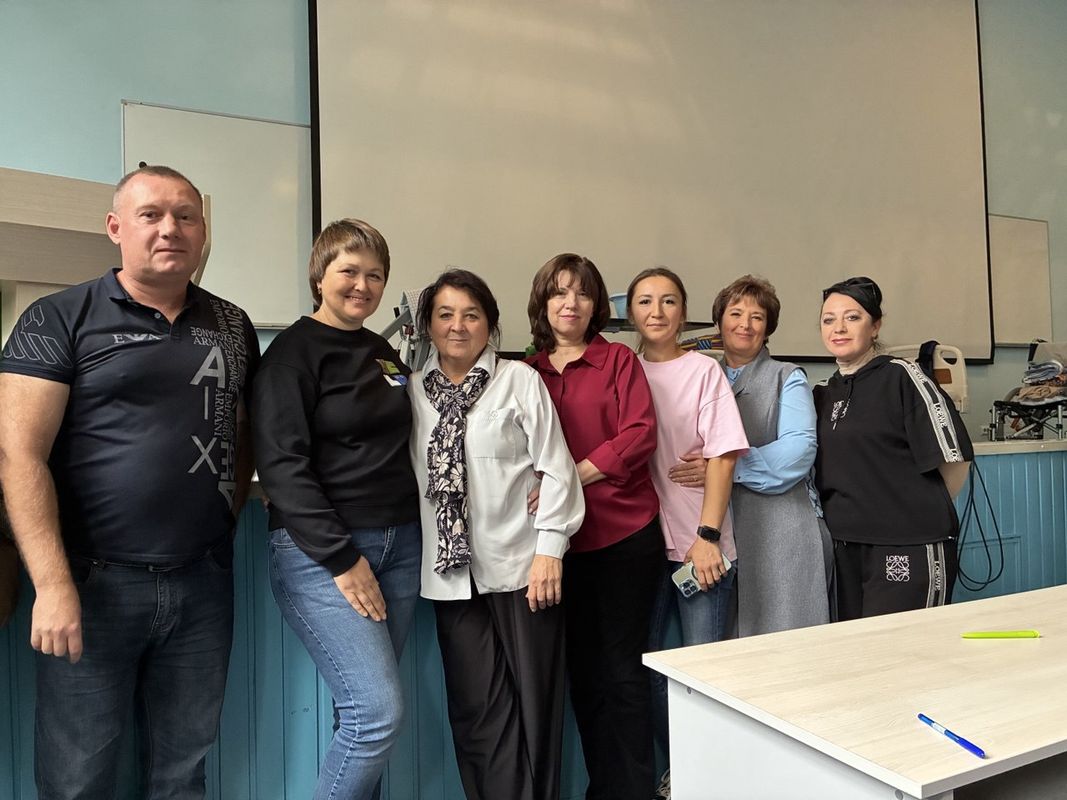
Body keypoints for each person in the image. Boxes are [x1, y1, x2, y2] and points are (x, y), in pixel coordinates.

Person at [0, 165, 258, 799]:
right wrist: (52, 586)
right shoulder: (58, 317)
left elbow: (242, 432)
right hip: (92, 586)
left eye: (186, 216)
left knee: (183, 774)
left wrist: (222, 526)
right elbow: (19, 456)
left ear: (202, 232)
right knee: (77, 780)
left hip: (202, 584)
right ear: (116, 228)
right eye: (152, 215)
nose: (171, 228)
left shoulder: (232, 324)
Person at [251, 219, 422, 799]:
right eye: (349, 271)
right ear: (319, 276)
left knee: (359, 717)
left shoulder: (381, 351)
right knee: (376, 716)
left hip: (400, 546)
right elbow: (283, 468)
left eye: (375, 275)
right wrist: (342, 559)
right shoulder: (291, 357)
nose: (363, 286)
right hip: (327, 554)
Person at [408, 269, 584, 800]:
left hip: (523, 569)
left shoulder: (518, 381)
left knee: (535, 710)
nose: (457, 326)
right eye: (445, 315)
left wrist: (549, 552)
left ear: (490, 324)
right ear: (428, 325)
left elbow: (557, 468)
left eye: (471, 315)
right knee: (476, 714)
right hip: (451, 576)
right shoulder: (412, 391)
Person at [526, 253, 661, 800]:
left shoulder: (619, 361)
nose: (571, 303)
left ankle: (632, 791)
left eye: (582, 293)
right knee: (581, 675)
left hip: (624, 535)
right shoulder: (526, 372)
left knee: (622, 674)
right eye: (559, 292)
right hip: (558, 546)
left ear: (596, 305)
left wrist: (569, 477)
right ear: (543, 302)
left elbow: (640, 434)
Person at [629, 267, 748, 800]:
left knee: (703, 670)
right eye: (645, 301)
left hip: (700, 548)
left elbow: (722, 457)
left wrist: (708, 536)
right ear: (630, 312)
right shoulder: (622, 370)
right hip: (639, 547)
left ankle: (708, 777)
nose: (656, 312)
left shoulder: (704, 371)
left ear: (684, 312)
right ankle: (684, 766)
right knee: (647, 666)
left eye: (668, 301)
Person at [813, 276, 973, 620]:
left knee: (906, 647)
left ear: (875, 326)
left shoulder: (903, 376)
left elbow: (955, 461)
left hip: (909, 544)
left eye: (852, 317)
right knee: (857, 649)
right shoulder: (822, 393)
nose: (839, 328)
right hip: (845, 547)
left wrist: (910, 509)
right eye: (828, 319)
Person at [710, 274, 832, 636]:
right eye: (735, 314)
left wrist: (724, 469)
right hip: (722, 534)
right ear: (719, 322)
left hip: (784, 533)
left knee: (789, 644)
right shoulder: (705, 376)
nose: (745, 325)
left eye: (757, 317)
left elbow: (798, 450)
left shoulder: (786, 376)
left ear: (768, 328)